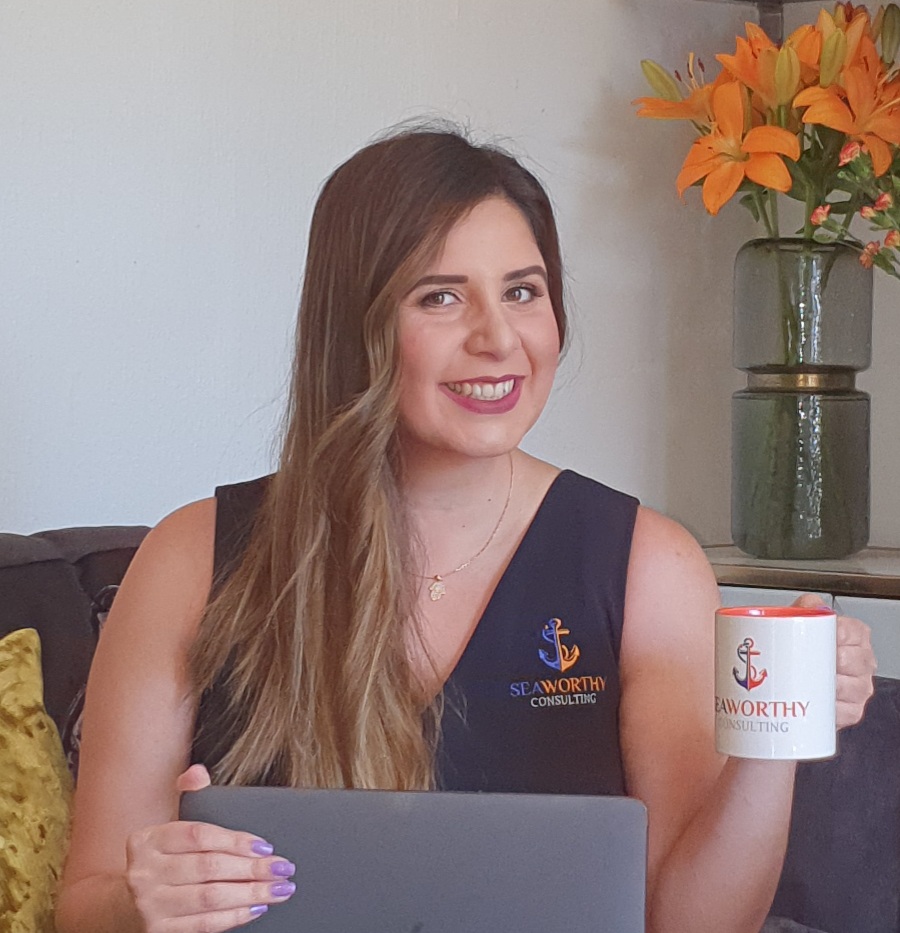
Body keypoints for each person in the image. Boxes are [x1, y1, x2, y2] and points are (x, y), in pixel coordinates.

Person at [56, 127, 876, 933]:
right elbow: (85, 902)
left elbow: (691, 925)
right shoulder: (189, 559)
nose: (498, 338)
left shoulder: (648, 564)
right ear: (355, 327)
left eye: (523, 291)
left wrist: (773, 738)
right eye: (440, 296)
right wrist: (140, 901)